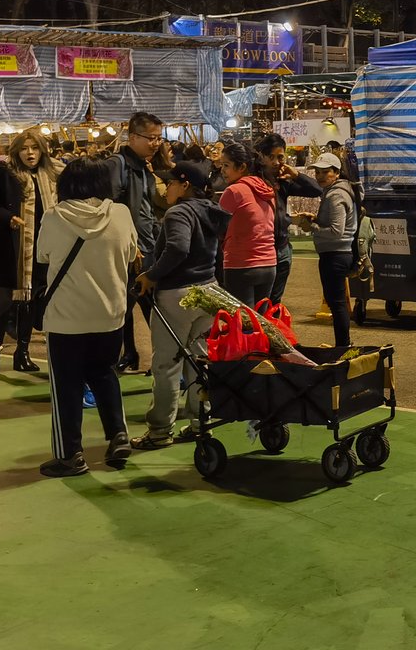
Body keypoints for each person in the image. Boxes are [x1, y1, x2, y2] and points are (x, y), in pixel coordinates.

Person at [34, 157, 140, 477]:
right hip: (110, 316)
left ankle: (70, 455)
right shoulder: (121, 214)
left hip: (66, 320)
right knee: (105, 374)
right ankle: (118, 435)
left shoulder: (54, 218)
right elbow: (133, 253)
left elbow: (42, 255)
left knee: (66, 386)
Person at [133, 161, 227, 449]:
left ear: (185, 185)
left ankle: (160, 430)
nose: (165, 188)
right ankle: (201, 423)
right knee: (200, 362)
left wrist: (151, 275)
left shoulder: (179, 212)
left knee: (166, 365)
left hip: (178, 295)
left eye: (170, 183)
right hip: (208, 291)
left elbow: (178, 247)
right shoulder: (211, 210)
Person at [0, 129, 60, 380]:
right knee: (3, 303)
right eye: (25, 148)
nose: (30, 153)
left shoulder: (52, 174)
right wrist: (8, 218)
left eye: (35, 148)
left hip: (43, 249)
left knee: (31, 302)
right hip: (12, 249)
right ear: (16, 151)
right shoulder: (5, 174)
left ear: (42, 150)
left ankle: (22, 354)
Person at [107, 112, 166, 373]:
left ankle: (158, 358)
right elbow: (110, 209)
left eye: (159, 138)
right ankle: (129, 354)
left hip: (148, 246)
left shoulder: (144, 166)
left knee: (150, 307)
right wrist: (129, 245)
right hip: (129, 250)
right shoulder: (118, 164)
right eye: (151, 138)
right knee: (124, 307)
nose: (156, 143)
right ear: (132, 137)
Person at [255, 133, 323, 306]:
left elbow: (316, 190)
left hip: (283, 249)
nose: (276, 162)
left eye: (280, 157)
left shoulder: (284, 181)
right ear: (261, 156)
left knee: (275, 302)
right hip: (262, 250)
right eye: (271, 157)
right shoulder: (253, 182)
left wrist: (296, 175)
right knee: (259, 303)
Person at [216, 141, 277, 306]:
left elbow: (216, 226)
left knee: (244, 324)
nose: (222, 170)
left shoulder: (233, 191)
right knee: (261, 323)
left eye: (226, 165)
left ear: (241, 167)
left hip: (241, 264)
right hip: (269, 263)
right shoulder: (266, 188)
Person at [308, 152, 359, 348]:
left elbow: (337, 231)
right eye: (317, 172)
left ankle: (343, 346)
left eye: (325, 172)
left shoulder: (336, 195)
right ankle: (343, 344)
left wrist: (311, 227)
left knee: (337, 304)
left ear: (336, 173)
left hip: (336, 254)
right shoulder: (336, 191)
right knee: (336, 302)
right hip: (338, 254)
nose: (320, 176)